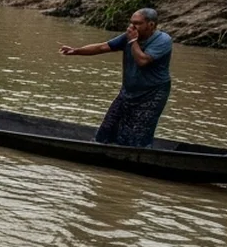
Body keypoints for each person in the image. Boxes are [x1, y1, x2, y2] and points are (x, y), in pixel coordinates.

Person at [59, 8, 172, 147]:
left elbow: (142, 61)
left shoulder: (163, 40)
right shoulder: (129, 37)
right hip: (129, 91)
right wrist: (76, 51)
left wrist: (132, 42)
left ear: (151, 25)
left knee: (138, 135)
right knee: (107, 130)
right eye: (131, 23)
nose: (131, 27)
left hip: (152, 93)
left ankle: (136, 155)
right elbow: (102, 47)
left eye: (137, 23)